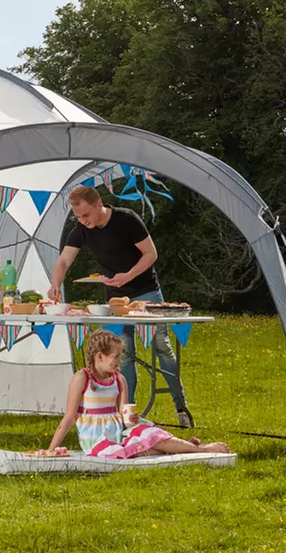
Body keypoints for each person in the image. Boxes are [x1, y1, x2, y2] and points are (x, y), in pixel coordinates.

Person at [47, 185, 194, 428]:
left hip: (147, 292)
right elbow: (63, 261)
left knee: (162, 347)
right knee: (122, 356)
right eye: (78, 217)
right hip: (115, 300)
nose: (83, 221)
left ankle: (180, 405)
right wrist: (55, 284)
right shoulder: (81, 230)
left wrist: (127, 275)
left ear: (98, 204)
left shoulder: (126, 219)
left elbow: (151, 254)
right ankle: (128, 416)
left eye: (86, 215)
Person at [44, 330, 229, 458]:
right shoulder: (82, 378)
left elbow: (126, 420)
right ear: (99, 356)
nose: (119, 361)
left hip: (119, 432)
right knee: (137, 450)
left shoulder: (119, 379)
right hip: (96, 438)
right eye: (115, 357)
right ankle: (189, 448)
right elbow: (69, 418)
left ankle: (196, 448)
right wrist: (51, 449)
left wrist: (132, 418)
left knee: (148, 436)